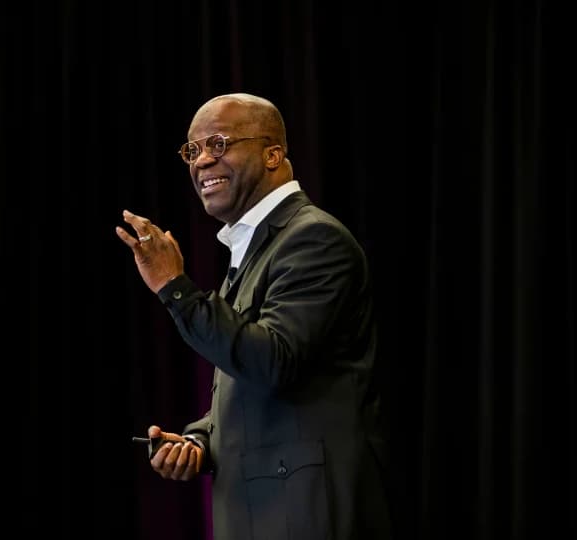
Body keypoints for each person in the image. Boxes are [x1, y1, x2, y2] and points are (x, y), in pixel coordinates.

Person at [116, 93, 392, 540]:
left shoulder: (313, 238)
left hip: (305, 514)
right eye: (193, 150)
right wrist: (201, 440)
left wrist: (174, 287)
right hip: (262, 510)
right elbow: (252, 380)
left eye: (218, 144)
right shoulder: (257, 247)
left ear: (272, 155)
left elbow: (273, 362)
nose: (201, 161)